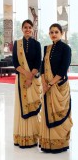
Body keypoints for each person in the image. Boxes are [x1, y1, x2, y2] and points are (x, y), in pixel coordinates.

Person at [39, 23, 73, 153]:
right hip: (47, 86)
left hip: (59, 86)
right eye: (51, 32)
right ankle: (48, 143)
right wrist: (43, 82)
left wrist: (50, 84)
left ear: (61, 33)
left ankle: (59, 144)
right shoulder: (47, 48)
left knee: (59, 113)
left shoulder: (66, 49)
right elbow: (42, 66)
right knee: (48, 113)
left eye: (56, 32)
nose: (53, 34)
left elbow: (63, 69)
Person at [12, 19, 42, 148]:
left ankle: (33, 136)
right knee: (21, 106)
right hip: (21, 80)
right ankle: (22, 136)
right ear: (22, 29)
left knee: (33, 106)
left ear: (33, 29)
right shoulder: (17, 44)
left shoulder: (37, 44)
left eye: (30, 27)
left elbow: (38, 63)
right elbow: (15, 63)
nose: (28, 29)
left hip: (34, 80)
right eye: (25, 27)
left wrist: (30, 77)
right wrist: (26, 74)